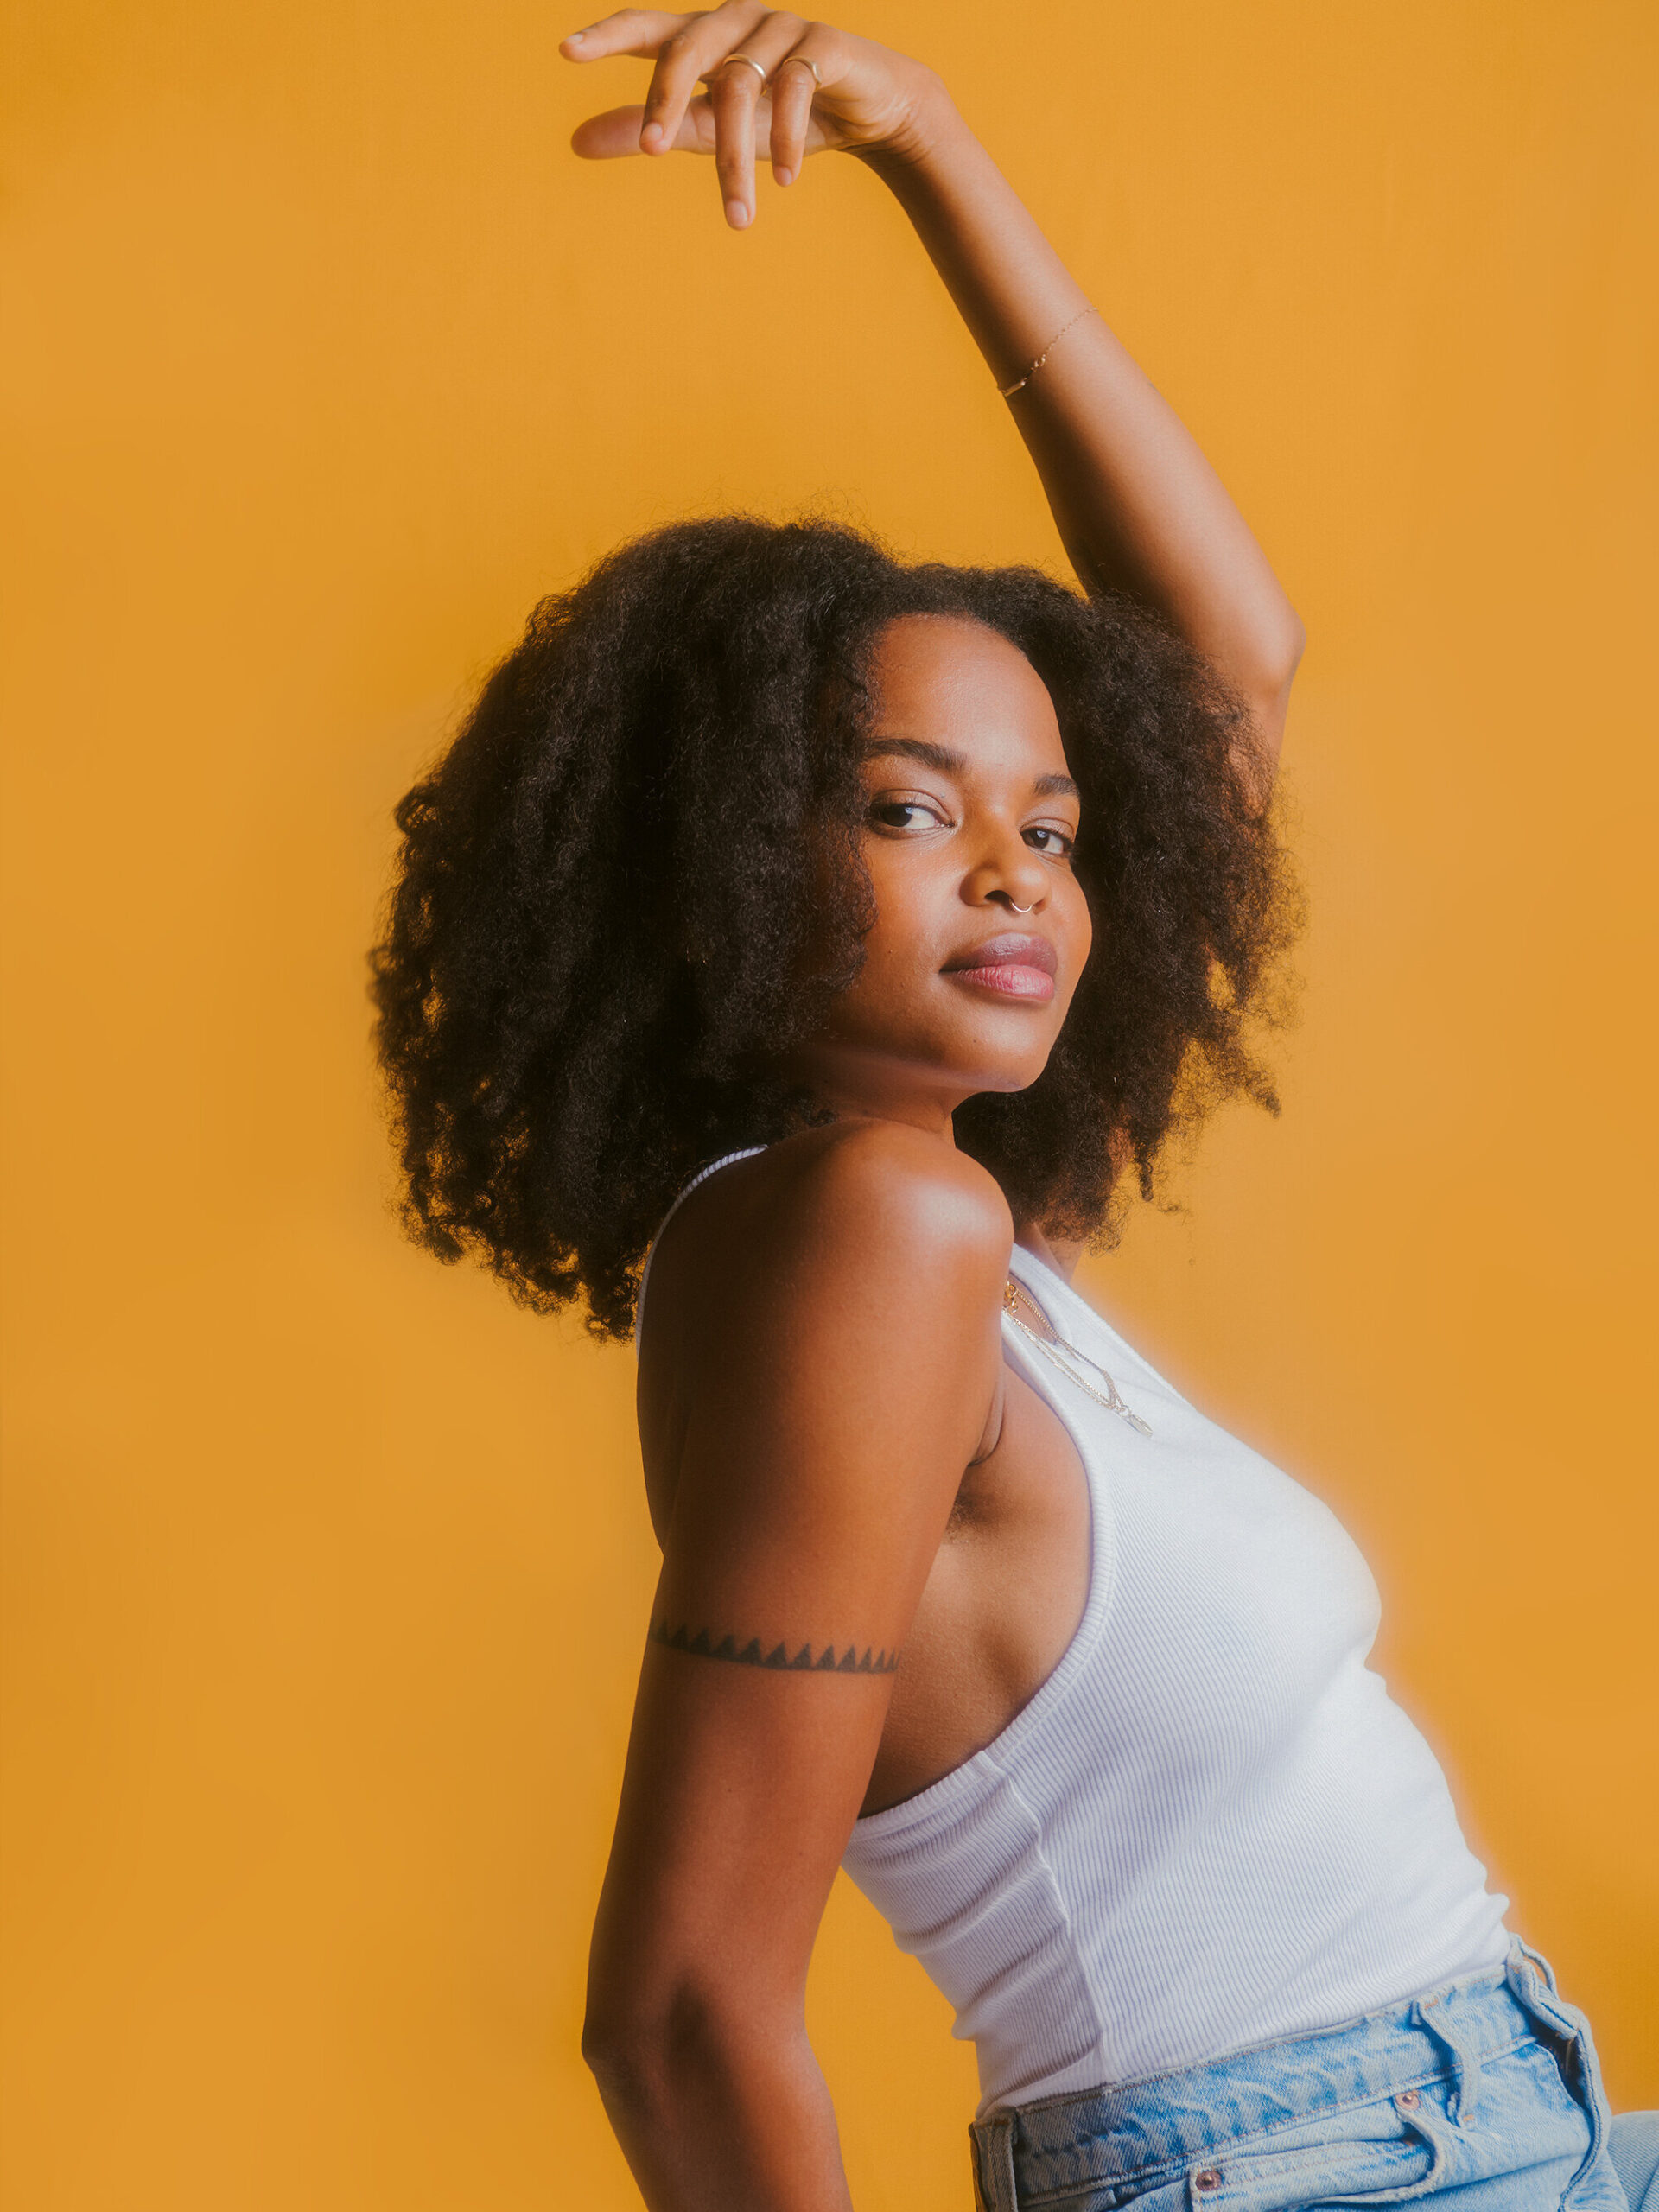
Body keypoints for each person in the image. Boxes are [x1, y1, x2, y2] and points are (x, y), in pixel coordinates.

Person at [369, 10, 1658, 2208]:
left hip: (1497, 2112)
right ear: (724, 870)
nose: (1015, 873)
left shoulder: (966, 1238)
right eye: (906, 807)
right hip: (1328, 2162)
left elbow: (1223, 662)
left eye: (1053, 828)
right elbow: (682, 1998)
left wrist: (930, 148)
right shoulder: (872, 1231)